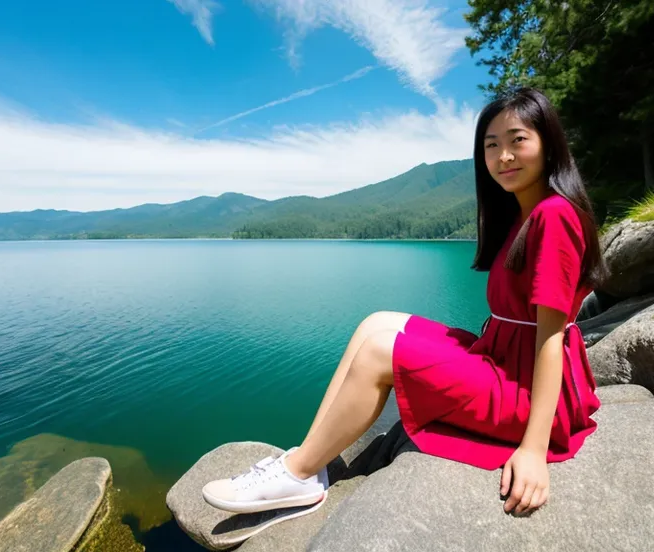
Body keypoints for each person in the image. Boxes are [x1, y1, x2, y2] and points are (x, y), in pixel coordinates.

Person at [202, 87, 607, 518]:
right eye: (491, 146)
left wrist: (532, 448)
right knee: (377, 322)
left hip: (522, 387)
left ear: (549, 143)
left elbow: (550, 338)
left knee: (380, 352)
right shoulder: (524, 214)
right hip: (502, 359)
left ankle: (297, 476)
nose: (503, 156)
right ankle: (310, 452)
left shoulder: (554, 216)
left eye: (517, 140)